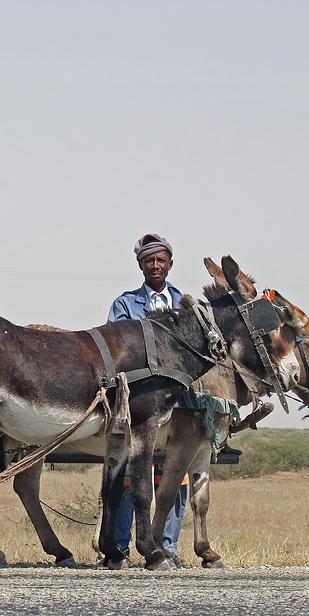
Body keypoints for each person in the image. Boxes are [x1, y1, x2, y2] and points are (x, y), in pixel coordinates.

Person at [108, 232, 189, 564]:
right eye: (148, 261)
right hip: (139, 401)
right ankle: (120, 544)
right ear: (141, 266)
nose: (155, 265)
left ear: (170, 264)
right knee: (132, 475)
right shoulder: (125, 304)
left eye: (160, 260)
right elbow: (118, 349)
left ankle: (167, 545)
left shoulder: (184, 303)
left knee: (176, 475)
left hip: (176, 401)